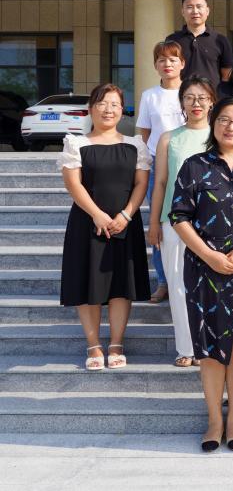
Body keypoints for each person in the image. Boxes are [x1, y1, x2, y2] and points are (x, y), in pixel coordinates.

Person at [169, 97, 233, 452]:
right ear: (214, 123)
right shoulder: (194, 166)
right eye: (225, 120)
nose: (231, 127)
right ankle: (214, 420)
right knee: (211, 348)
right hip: (204, 269)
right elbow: (178, 216)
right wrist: (209, 256)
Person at [59, 83, 151, 372]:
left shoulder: (135, 144)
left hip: (125, 223)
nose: (108, 109)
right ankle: (93, 345)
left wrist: (126, 214)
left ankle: (116, 343)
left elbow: (141, 184)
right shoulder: (76, 144)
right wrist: (97, 214)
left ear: (122, 110)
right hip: (87, 223)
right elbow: (73, 184)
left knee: (121, 285)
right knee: (87, 283)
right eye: (102, 103)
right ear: (91, 109)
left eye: (114, 104)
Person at [147, 76, 216, 367]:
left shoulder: (220, 135)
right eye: (189, 97)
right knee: (178, 283)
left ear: (211, 102)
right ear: (182, 102)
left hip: (213, 221)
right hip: (174, 220)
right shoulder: (169, 138)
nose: (196, 103)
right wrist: (153, 222)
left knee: (210, 285)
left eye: (202, 97)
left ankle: (208, 344)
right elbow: (161, 183)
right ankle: (187, 347)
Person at [137, 41, 187, 304]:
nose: (167, 64)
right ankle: (163, 281)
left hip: (188, 162)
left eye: (172, 59)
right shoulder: (149, 95)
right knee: (158, 222)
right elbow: (145, 133)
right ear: (155, 65)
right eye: (161, 60)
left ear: (182, 63)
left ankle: (187, 277)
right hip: (158, 163)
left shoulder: (190, 92)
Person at [165, 0, 232, 85]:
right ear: (182, 11)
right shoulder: (172, 40)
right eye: (189, 7)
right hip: (180, 94)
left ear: (207, 11)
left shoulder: (220, 40)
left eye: (199, 6)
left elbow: (226, 76)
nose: (195, 11)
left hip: (212, 94)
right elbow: (168, 71)